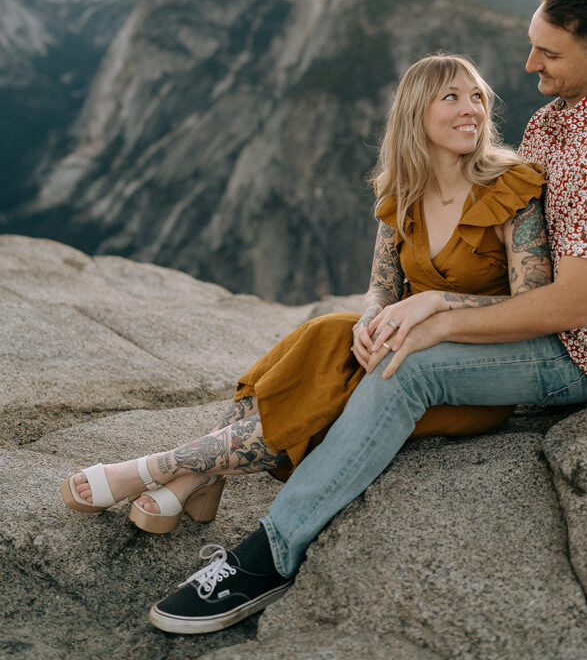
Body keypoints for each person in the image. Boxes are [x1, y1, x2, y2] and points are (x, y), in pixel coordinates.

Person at [59, 55, 552, 609]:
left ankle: (163, 471)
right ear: (417, 114)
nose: (472, 110)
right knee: (329, 332)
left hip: (461, 374)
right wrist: (369, 321)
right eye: (452, 98)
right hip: (394, 347)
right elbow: (381, 290)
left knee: (327, 377)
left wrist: (438, 303)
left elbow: (532, 304)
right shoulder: (402, 197)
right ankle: (198, 481)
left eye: (478, 96)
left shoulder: (513, 187)